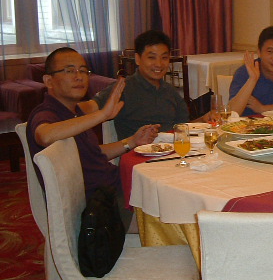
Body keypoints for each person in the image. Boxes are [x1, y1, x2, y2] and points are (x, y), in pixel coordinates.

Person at [26, 47, 158, 231]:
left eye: (83, 71)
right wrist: (102, 115)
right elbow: (45, 135)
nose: (79, 77)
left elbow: (93, 153)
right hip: (105, 210)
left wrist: (132, 141)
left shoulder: (74, 112)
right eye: (69, 71)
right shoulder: (46, 113)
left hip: (116, 190)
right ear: (49, 81)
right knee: (175, 206)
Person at [87, 30, 207, 139]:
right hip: (137, 152)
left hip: (172, 150)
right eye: (152, 57)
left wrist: (203, 120)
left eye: (164, 58)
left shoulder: (170, 91)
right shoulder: (123, 88)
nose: (159, 64)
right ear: (137, 59)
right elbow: (89, 107)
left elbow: (183, 128)